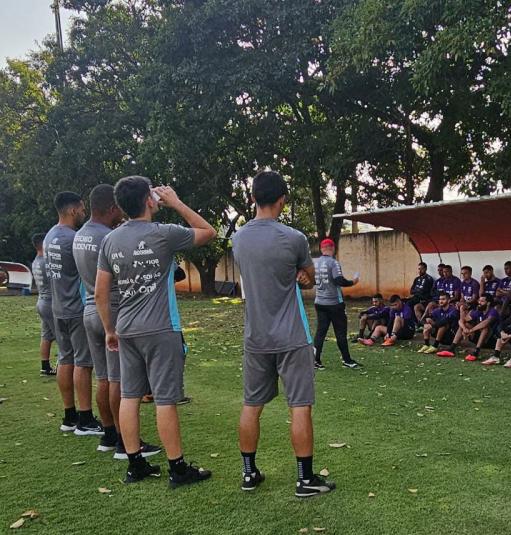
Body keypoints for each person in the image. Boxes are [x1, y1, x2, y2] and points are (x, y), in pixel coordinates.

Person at [96, 176, 216, 487]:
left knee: (130, 395)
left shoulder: (110, 240)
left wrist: (110, 329)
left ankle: (135, 464)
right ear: (150, 201)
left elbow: (100, 292)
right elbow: (208, 232)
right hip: (161, 328)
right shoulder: (164, 234)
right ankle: (177, 469)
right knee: (165, 398)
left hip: (126, 328)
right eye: (154, 194)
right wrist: (176, 202)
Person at [230, 171, 332, 496]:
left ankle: (249, 474)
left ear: (253, 198)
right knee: (299, 405)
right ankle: (305, 480)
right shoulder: (294, 238)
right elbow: (310, 278)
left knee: (251, 404)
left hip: (255, 337)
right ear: (282, 199)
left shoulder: (238, 239)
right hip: (291, 336)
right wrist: (302, 277)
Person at [74, 184, 160, 460]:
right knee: (118, 381)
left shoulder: (80, 235)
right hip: (111, 311)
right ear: (112, 208)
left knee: (103, 378)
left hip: (90, 309)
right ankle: (126, 442)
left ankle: (109, 434)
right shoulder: (108, 237)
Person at [44, 191, 102, 435]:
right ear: (71, 210)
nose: (83, 212)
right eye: (80, 208)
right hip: (77, 307)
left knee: (65, 359)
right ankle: (86, 418)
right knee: (83, 362)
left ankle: (69, 415)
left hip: (58, 307)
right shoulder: (73, 238)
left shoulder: (50, 236)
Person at [312, 238, 361, 370]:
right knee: (340, 332)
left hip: (319, 302)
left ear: (321, 249)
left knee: (320, 332)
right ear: (333, 248)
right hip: (334, 303)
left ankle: (315, 360)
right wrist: (353, 282)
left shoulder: (315, 263)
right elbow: (339, 280)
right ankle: (347, 360)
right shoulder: (333, 263)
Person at [30, 233, 58, 376]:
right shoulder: (46, 262)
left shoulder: (35, 261)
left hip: (41, 301)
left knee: (46, 335)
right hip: (50, 302)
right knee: (62, 336)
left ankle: (45, 366)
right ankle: (64, 365)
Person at [444, 294, 499, 361]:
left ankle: (476, 352)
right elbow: (461, 321)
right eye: (479, 301)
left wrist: (472, 330)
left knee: (485, 328)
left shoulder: (493, 311)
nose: (479, 303)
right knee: (465, 325)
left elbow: (486, 323)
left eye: (482, 301)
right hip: (478, 338)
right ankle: (451, 349)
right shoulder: (478, 311)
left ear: (488, 303)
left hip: (491, 341)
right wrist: (464, 328)